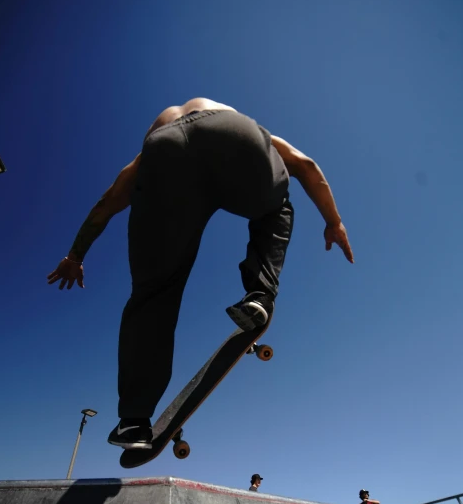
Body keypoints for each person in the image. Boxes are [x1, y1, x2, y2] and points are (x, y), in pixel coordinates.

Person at [48, 97, 354, 449]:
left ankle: (134, 420)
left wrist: (75, 255)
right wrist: (334, 221)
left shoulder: (149, 149)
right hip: (236, 134)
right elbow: (306, 165)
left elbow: (105, 205)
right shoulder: (224, 112)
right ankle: (260, 294)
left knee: (153, 294)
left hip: (163, 153)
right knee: (277, 206)